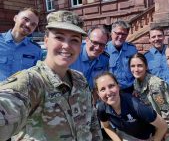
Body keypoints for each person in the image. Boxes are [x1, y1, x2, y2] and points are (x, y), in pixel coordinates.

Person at [0, 10, 102, 141]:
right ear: (46, 40)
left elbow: (92, 121)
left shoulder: (80, 79)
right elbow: (8, 104)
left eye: (75, 40)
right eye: (59, 37)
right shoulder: (31, 82)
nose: (66, 45)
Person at [129, 53, 169, 141]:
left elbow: (168, 112)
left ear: (146, 67)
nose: (136, 69)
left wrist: (164, 132)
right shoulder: (136, 82)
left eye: (140, 66)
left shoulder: (155, 85)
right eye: (133, 66)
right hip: (162, 125)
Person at [94, 72, 168, 141]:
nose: (108, 92)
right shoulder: (101, 108)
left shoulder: (137, 106)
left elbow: (163, 126)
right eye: (102, 89)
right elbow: (106, 126)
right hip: (124, 135)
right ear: (98, 93)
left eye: (111, 86)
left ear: (118, 86)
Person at [0, 7, 42, 81]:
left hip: (21, 92)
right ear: (15, 18)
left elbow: (36, 77)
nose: (28, 25)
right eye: (26, 19)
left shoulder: (36, 50)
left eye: (33, 24)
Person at [70, 25, 110, 90]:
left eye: (102, 44)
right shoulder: (73, 54)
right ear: (87, 40)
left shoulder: (105, 59)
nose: (98, 48)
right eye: (95, 42)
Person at [106, 20, 137, 93]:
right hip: (111, 91)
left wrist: (137, 87)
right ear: (111, 33)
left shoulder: (132, 49)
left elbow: (137, 69)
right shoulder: (104, 50)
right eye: (118, 33)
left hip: (130, 89)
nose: (120, 37)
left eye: (124, 34)